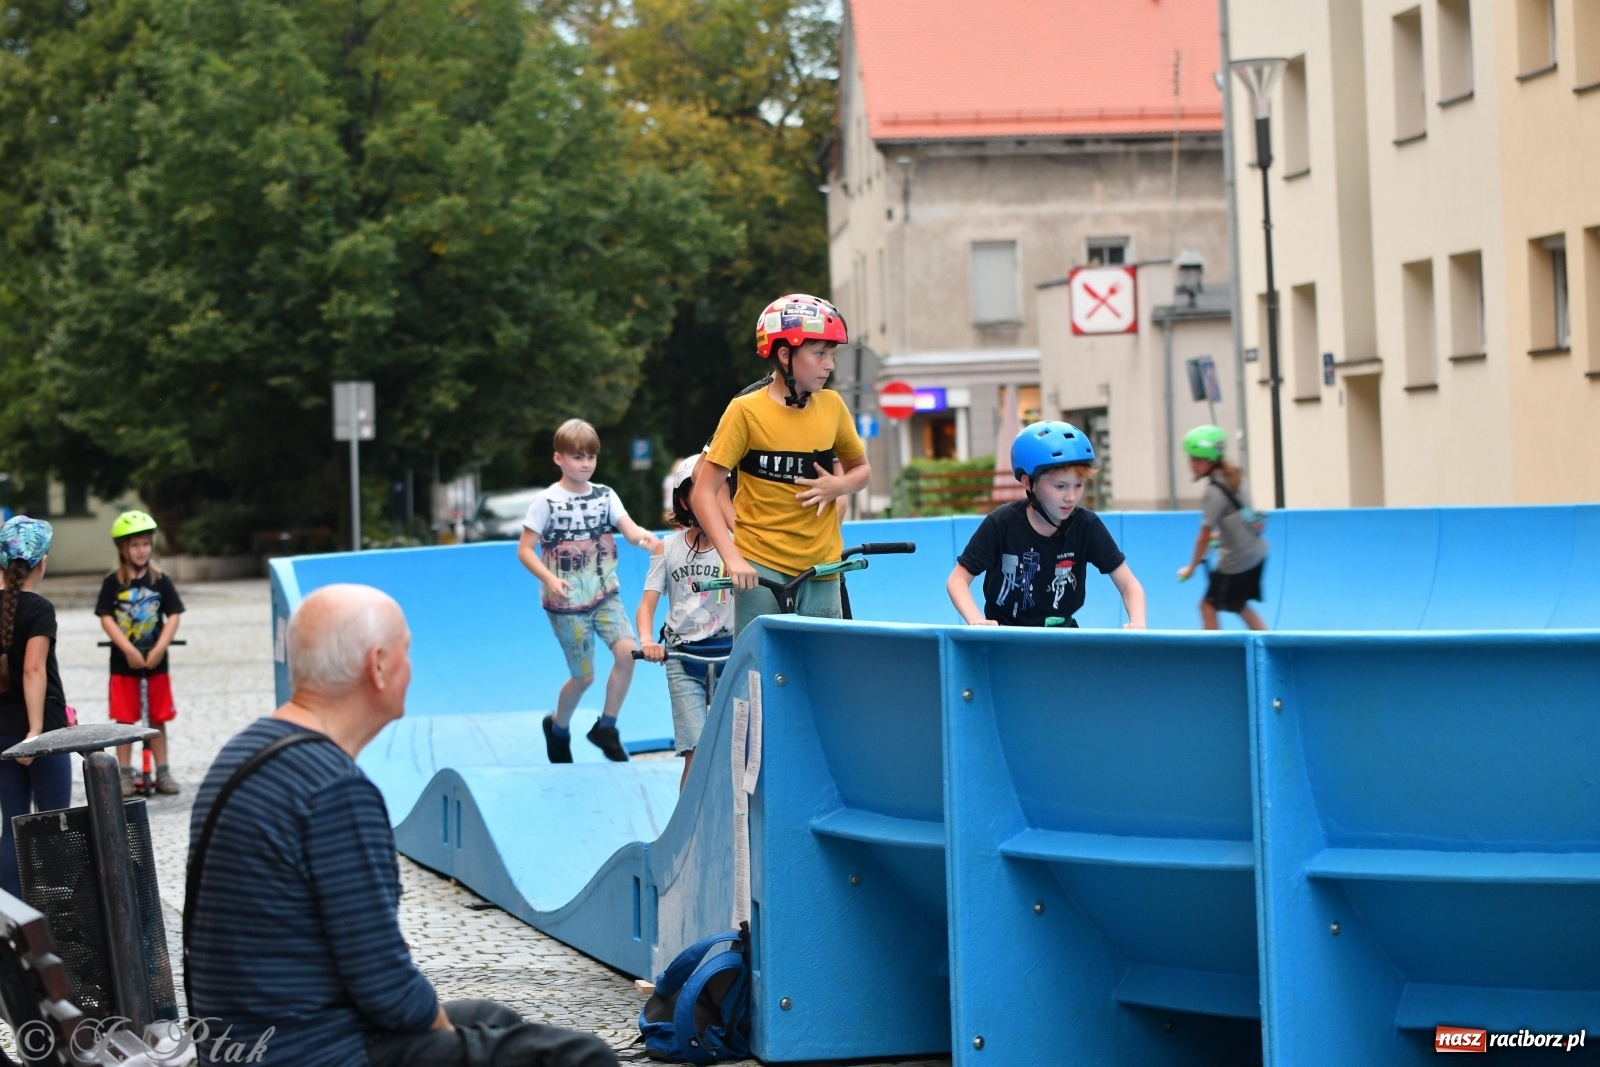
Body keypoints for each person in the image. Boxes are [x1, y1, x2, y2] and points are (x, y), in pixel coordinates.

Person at [186, 584, 617, 1067]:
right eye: (407, 651)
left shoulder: (246, 751)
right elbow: (389, 993)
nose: (412, 668)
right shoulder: (335, 790)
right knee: (583, 1057)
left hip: (244, 1043)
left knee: (493, 1018)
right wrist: (442, 1033)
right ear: (378, 666)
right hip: (313, 1051)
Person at [692, 294, 869, 635]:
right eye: (819, 353)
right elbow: (703, 491)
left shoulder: (832, 406)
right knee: (761, 672)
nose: (830, 365)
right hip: (760, 567)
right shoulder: (744, 410)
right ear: (785, 355)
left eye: (832, 354)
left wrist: (839, 486)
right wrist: (731, 556)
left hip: (821, 567)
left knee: (821, 667)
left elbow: (861, 470)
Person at [518, 419, 661, 764]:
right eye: (577, 457)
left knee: (628, 654)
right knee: (583, 677)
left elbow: (628, 529)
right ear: (559, 459)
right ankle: (558, 728)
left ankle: (606, 727)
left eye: (591, 457)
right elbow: (525, 549)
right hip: (567, 604)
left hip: (604, 594)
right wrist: (550, 579)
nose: (585, 464)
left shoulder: (605, 496)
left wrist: (647, 539)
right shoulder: (546, 502)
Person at [947, 421, 1147, 629]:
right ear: (1028, 482)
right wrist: (976, 620)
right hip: (1005, 637)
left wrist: (1138, 623)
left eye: (1078, 486)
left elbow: (1129, 585)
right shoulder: (1002, 523)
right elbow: (957, 580)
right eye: (1060, 486)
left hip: (1061, 636)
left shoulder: (1087, 525)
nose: (1071, 497)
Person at [636, 456, 733, 788]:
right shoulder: (667, 547)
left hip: (728, 654)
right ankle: (689, 835)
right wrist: (648, 640)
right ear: (683, 500)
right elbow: (647, 605)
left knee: (733, 748)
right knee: (696, 749)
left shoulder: (737, 546)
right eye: (701, 492)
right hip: (682, 657)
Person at [0, 517, 71, 899]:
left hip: (2, 732)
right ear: (42, 562)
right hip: (40, 731)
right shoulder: (39, 609)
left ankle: (13, 921)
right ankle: (58, 917)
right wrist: (35, 733)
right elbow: (32, 669)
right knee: (54, 822)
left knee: (11, 824)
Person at [95, 510, 185, 795]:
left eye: (146, 544)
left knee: (157, 717)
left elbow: (173, 614)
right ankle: (124, 775)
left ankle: (163, 771)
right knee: (124, 719)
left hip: (156, 661)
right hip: (124, 663)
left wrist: (160, 648)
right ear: (123, 548)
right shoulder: (113, 582)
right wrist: (128, 649)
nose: (141, 550)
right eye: (135, 545)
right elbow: (106, 617)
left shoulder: (161, 580)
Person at [1176, 424, 1270, 630]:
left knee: (1207, 606)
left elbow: (1203, 536)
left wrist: (1190, 569)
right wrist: (1222, 537)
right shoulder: (1236, 477)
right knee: (1238, 604)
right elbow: (1240, 518)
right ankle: (1266, 642)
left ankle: (1212, 656)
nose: (1191, 464)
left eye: (1196, 459)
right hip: (1258, 553)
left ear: (1209, 460)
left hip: (1237, 562)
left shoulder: (1213, 492)